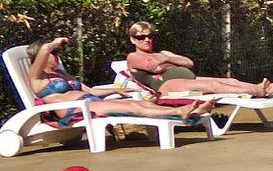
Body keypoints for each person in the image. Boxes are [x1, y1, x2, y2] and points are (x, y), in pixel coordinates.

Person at [24, 36, 207, 123]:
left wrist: (116, 90)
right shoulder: (37, 79)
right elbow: (44, 50)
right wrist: (55, 43)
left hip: (89, 102)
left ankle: (187, 112)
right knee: (133, 107)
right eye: (54, 53)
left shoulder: (62, 75)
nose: (57, 55)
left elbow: (91, 91)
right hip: (77, 110)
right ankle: (182, 112)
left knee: (142, 104)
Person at [123, 21, 273, 97]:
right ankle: (259, 91)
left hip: (186, 78)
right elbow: (154, 68)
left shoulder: (162, 53)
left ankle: (270, 88)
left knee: (232, 80)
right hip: (166, 86)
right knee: (214, 86)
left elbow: (189, 63)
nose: (146, 40)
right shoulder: (133, 57)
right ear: (132, 39)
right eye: (140, 37)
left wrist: (164, 59)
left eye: (149, 36)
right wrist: (167, 59)